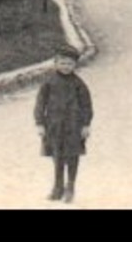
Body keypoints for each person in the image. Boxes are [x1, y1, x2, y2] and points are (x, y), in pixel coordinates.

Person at [34, 44, 93, 203]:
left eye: (69, 64)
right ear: (55, 63)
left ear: (75, 65)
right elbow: (40, 104)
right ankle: (57, 187)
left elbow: (86, 105)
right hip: (54, 126)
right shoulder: (48, 82)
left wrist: (86, 125)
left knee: (72, 155)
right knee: (57, 156)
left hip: (73, 126)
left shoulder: (78, 84)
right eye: (62, 63)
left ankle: (70, 187)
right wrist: (40, 123)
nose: (66, 67)